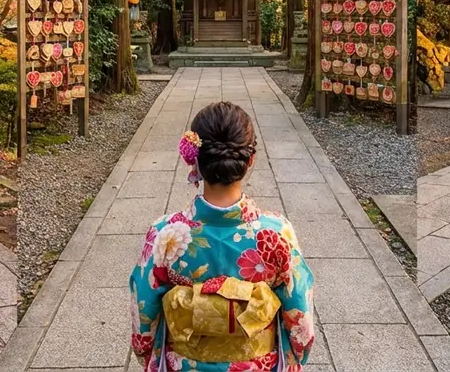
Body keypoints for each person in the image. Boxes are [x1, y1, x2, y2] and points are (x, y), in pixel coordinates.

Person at [129, 101, 316, 372]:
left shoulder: (164, 234)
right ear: (250, 160)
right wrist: (295, 356)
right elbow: (300, 318)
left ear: (193, 159)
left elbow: (143, 315)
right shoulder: (277, 233)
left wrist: (150, 354)